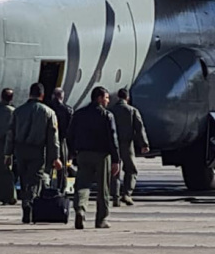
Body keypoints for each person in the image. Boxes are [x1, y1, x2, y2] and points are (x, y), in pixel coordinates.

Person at [6, 82, 61, 224]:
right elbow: (53, 137)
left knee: (24, 178)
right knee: (35, 179)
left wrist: (8, 153)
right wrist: (55, 157)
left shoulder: (17, 111)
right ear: (42, 95)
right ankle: (29, 203)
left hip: (20, 149)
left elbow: (10, 134)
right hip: (38, 150)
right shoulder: (49, 112)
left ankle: (25, 200)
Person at [67, 86, 120, 230]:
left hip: (83, 154)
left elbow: (70, 135)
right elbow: (113, 139)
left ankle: (80, 209)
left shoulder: (79, 114)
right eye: (106, 98)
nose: (108, 101)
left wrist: (72, 153)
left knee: (82, 184)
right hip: (102, 156)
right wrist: (116, 160)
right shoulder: (107, 116)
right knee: (103, 189)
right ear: (99, 98)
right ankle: (101, 219)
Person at [110, 88, 150, 206]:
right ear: (127, 98)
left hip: (113, 144)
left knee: (114, 170)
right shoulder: (132, 111)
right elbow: (139, 128)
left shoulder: (111, 111)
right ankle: (127, 194)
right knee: (131, 170)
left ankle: (115, 196)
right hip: (127, 144)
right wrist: (144, 144)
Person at [48, 86, 73, 177]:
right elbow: (70, 130)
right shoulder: (68, 110)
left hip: (47, 141)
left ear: (53, 96)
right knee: (62, 168)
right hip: (62, 140)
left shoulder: (47, 109)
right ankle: (60, 187)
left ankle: (46, 187)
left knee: (47, 167)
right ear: (62, 97)